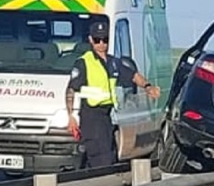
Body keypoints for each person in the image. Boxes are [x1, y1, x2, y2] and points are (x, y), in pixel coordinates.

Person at [65, 21, 161, 168]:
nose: (102, 44)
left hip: (106, 116)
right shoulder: (84, 63)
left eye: (105, 40)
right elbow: (71, 90)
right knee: (100, 157)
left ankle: (99, 184)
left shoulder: (113, 62)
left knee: (109, 153)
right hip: (91, 116)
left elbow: (133, 75)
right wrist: (71, 116)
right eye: (97, 40)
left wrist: (148, 87)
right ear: (91, 40)